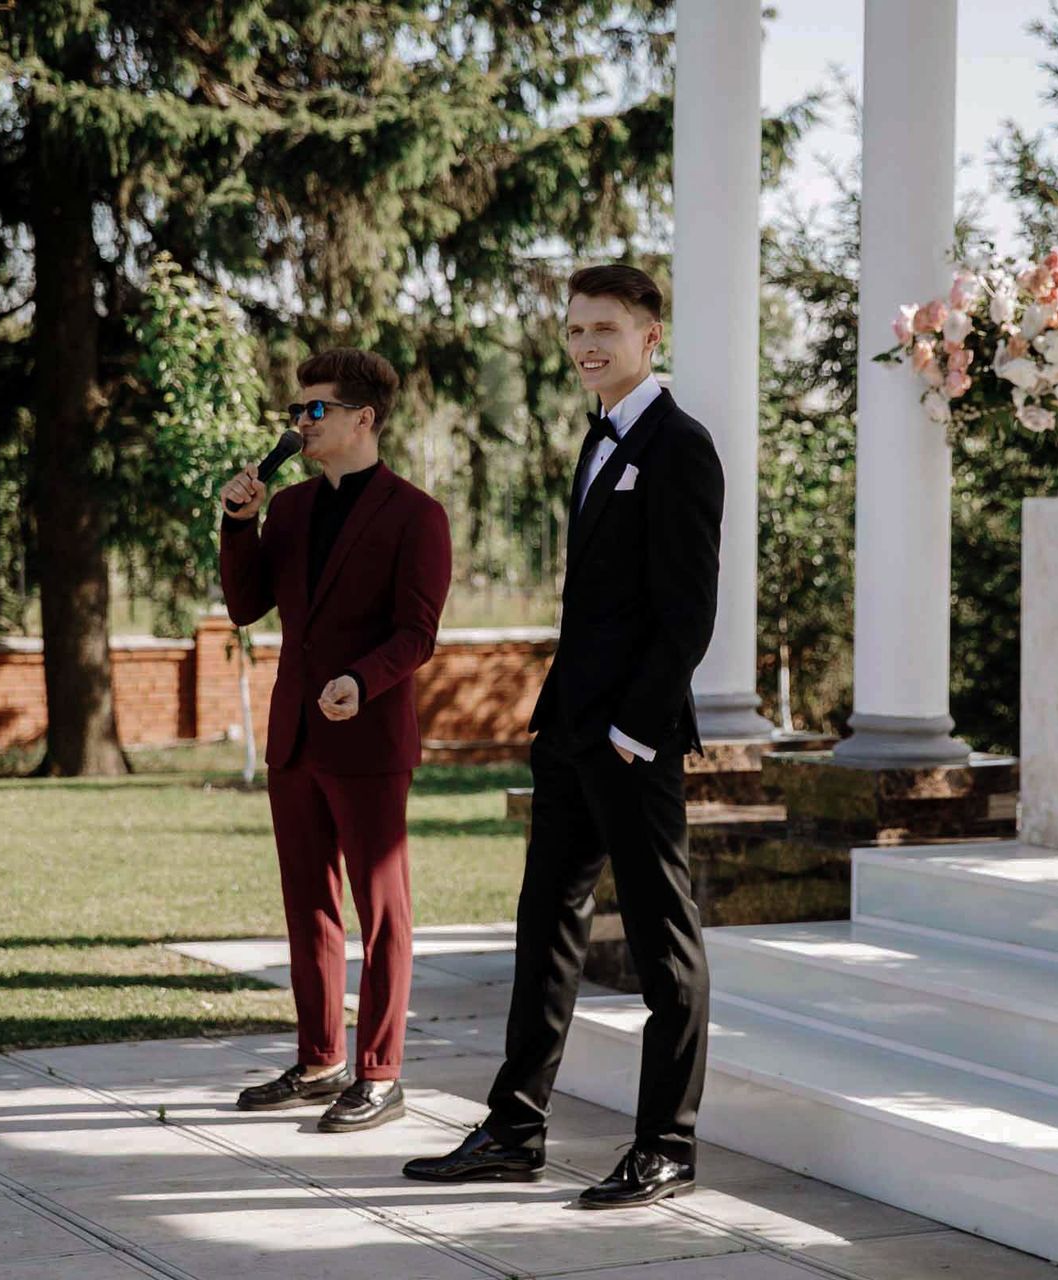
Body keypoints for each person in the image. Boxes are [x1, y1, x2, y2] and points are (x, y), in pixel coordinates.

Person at [402, 264, 724, 1208]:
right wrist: (569, 729)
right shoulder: (597, 438)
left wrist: (632, 729)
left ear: (649, 336)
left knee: (667, 947)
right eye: (577, 329)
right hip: (570, 735)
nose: (586, 345)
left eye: (606, 330)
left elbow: (687, 614)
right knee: (545, 930)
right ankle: (515, 1128)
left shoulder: (680, 446)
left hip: (632, 739)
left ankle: (667, 1145)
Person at [218, 347, 451, 1133]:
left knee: (383, 912)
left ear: (363, 418)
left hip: (371, 736)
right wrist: (237, 524)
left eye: (314, 410)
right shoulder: (288, 510)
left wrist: (364, 678)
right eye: (296, 411)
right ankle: (321, 1060)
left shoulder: (417, 515)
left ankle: (381, 1073)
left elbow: (418, 633)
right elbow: (247, 605)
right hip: (295, 737)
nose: (300, 424)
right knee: (308, 907)